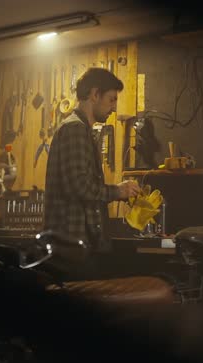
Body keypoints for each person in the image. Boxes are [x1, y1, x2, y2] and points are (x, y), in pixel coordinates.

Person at [44, 67, 140, 252]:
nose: (114, 107)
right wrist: (118, 191)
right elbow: (79, 186)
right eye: (111, 99)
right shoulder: (75, 129)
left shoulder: (81, 130)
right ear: (95, 94)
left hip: (76, 245)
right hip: (73, 246)